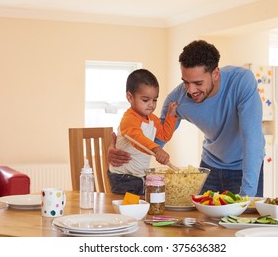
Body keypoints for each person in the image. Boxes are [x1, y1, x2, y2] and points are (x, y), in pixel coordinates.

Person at [109, 40, 265, 197]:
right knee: (203, 220)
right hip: (210, 166)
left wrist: (248, 197)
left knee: (245, 219)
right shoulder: (177, 100)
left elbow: (253, 138)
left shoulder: (241, 82)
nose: (191, 91)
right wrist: (120, 150)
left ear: (215, 74)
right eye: (186, 82)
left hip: (244, 167)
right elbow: (154, 141)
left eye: (198, 83)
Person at [108, 68, 178, 195]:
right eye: (145, 100)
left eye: (155, 100)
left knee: (141, 208)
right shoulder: (129, 119)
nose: (151, 104)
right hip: (124, 177)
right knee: (127, 209)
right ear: (130, 97)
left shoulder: (152, 119)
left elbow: (164, 135)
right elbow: (136, 138)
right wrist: (156, 150)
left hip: (140, 176)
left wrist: (171, 116)